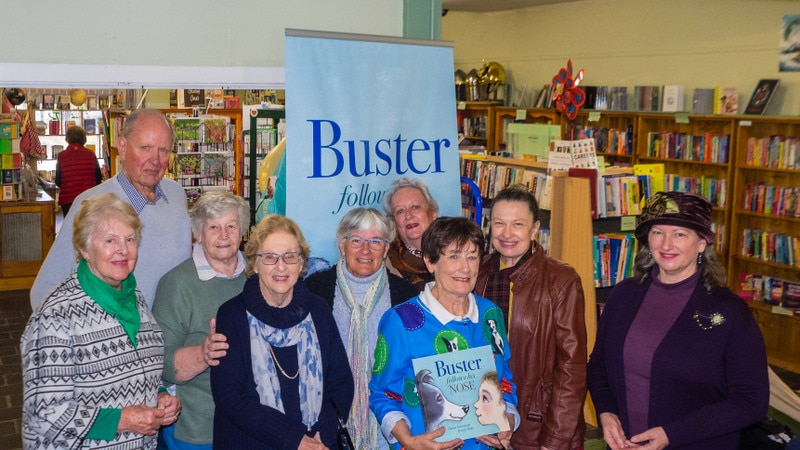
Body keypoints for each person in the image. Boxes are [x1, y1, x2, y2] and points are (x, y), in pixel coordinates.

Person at [587, 191, 770, 450]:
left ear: (702, 243)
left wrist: (671, 434)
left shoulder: (730, 312)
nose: (666, 244)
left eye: (680, 234)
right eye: (657, 232)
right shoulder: (624, 295)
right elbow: (598, 366)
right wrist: (606, 412)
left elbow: (750, 401)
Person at [21, 192, 181, 449]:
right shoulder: (55, 316)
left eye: (130, 239)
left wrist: (160, 396)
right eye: (110, 240)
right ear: (84, 248)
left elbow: (139, 368)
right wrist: (122, 420)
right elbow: (44, 415)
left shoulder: (133, 297)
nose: (123, 249)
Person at [369, 217, 519, 450]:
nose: (465, 268)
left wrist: (508, 417)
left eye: (472, 256)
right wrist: (408, 440)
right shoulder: (402, 321)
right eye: (454, 256)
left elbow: (505, 380)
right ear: (430, 262)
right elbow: (383, 394)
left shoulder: (491, 314)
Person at [210, 215, 354, 449]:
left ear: (301, 263)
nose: (281, 266)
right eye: (269, 257)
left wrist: (320, 436)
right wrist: (294, 438)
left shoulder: (318, 310)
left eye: (289, 256)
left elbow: (341, 382)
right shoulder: (232, 315)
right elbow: (230, 397)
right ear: (254, 264)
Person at [31, 108, 191, 310]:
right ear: (122, 147)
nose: (156, 160)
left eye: (164, 150)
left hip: (175, 337)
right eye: (145, 148)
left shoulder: (176, 195)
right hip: (118, 337)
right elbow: (44, 290)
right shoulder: (89, 205)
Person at [473, 185, 587, 450]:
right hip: (484, 415)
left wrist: (555, 439)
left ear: (535, 229)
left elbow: (572, 367)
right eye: (499, 223)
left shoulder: (560, 280)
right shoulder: (478, 272)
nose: (507, 233)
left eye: (518, 224)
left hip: (538, 423)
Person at [305, 207, 418, 449]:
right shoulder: (313, 291)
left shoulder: (407, 297)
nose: (366, 250)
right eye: (356, 240)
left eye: (376, 241)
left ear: (386, 248)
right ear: (341, 245)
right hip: (326, 422)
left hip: (390, 424)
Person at [151, 191, 250, 450]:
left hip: (254, 422)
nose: (224, 235)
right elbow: (161, 363)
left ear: (242, 231)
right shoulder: (177, 284)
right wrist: (203, 354)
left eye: (231, 225)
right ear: (198, 233)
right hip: (199, 428)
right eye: (213, 227)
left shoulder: (258, 275)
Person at [382, 177, 438, 291]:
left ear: (433, 213)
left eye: (415, 207)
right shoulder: (386, 263)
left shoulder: (454, 250)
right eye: (400, 211)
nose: (408, 216)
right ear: (394, 222)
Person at [55, 125, 103, 216]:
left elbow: (58, 180)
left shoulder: (62, 155)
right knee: (87, 228)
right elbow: (98, 178)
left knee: (70, 228)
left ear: (67, 138)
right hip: (88, 199)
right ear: (84, 138)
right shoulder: (90, 154)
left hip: (68, 200)